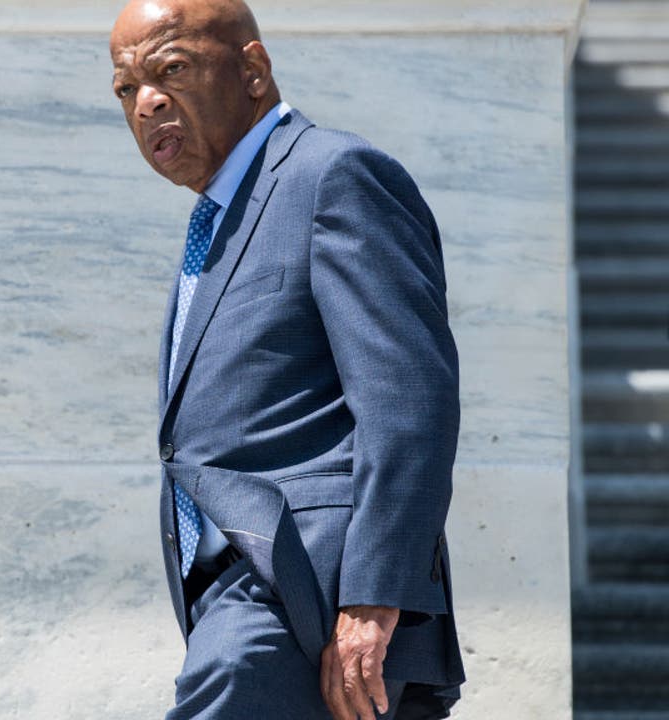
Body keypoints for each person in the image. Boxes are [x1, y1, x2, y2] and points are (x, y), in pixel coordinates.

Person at [109, 1, 465, 718]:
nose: (148, 102)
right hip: (246, 593)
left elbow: (410, 402)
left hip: (310, 589)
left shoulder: (333, 175)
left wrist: (372, 597)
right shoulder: (221, 215)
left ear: (254, 70)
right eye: (126, 88)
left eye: (171, 69)